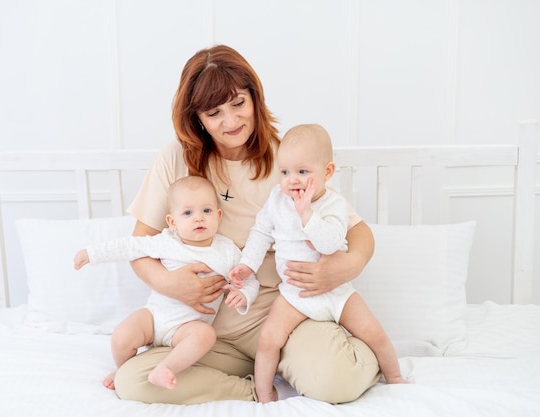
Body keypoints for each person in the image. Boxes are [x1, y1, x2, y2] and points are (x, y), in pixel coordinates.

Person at [115, 44, 381, 405]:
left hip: (281, 321)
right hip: (201, 334)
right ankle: (250, 391)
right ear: (197, 118)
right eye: (214, 112)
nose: (231, 121)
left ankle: (333, 357)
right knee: (134, 382)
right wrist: (171, 284)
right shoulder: (175, 158)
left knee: (339, 381)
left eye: (239, 103)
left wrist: (346, 265)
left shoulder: (286, 157)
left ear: (254, 97)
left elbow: (357, 231)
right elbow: (140, 246)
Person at [229, 123, 406, 402]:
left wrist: (307, 215)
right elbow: (261, 232)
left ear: (327, 172)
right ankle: (264, 393)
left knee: (374, 331)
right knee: (268, 339)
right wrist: (247, 265)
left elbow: (331, 243)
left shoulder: (332, 204)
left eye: (303, 172)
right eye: (285, 172)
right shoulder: (277, 200)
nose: (292, 180)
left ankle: (395, 377)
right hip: (294, 294)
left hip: (336, 293)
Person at [73, 175, 259, 391]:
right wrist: (91, 254)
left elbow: (249, 279)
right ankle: (123, 369)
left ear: (218, 216)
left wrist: (244, 294)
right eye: (188, 213)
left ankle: (166, 368)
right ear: (172, 222)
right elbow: (129, 246)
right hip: (154, 317)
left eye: (206, 211)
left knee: (205, 336)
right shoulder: (166, 241)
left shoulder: (227, 251)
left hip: (187, 328)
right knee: (122, 335)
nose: (198, 218)